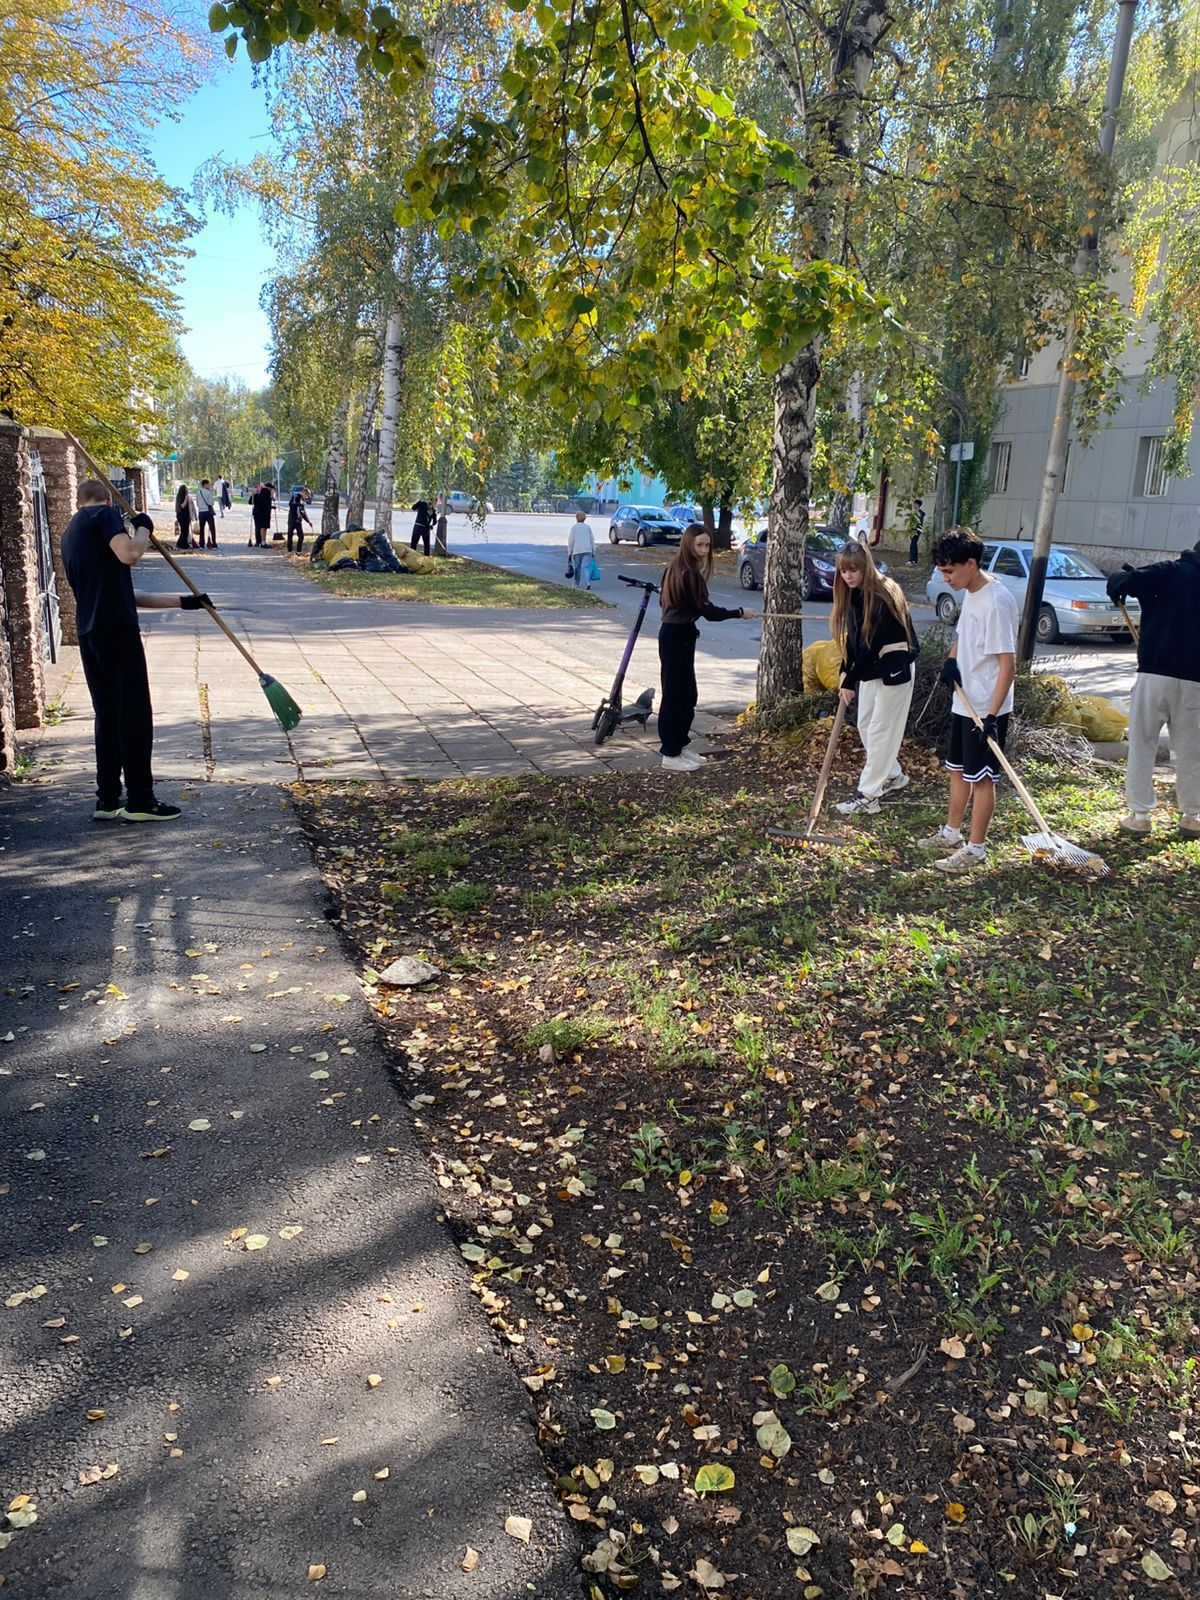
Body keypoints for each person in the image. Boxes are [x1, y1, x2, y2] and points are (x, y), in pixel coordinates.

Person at [60, 479, 211, 822]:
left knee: (109, 716)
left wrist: (185, 602)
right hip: (117, 631)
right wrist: (143, 528)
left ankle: (108, 799)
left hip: (91, 632)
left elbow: (124, 593)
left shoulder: (72, 532)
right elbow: (130, 554)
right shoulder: (103, 516)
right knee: (134, 714)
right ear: (107, 501)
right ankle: (141, 799)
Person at [919, 525, 1019, 872]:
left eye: (949, 571)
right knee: (958, 770)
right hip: (965, 700)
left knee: (983, 778)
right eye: (941, 571)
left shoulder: (997, 602)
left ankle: (976, 849)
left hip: (986, 707)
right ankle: (951, 833)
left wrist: (992, 717)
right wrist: (951, 661)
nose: (945, 578)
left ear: (971, 564)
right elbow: (962, 636)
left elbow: (1008, 665)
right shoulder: (972, 592)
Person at [1106, 541, 1200, 837]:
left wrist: (1116, 586)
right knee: (1192, 751)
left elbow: (1125, 580)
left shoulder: (1169, 570)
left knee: (1142, 745)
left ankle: (1140, 815)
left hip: (1154, 674)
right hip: (1195, 681)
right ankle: (1193, 816)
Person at [657, 522, 756, 771]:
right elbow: (708, 611)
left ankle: (680, 745)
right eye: (699, 545)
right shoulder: (687, 572)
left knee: (687, 694)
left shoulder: (678, 568)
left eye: (707, 545)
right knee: (674, 695)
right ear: (688, 544)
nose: (704, 550)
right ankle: (670, 753)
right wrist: (739, 612)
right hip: (676, 635)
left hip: (679, 634)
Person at [831, 541, 919, 816]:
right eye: (843, 571)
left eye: (853, 570)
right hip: (871, 668)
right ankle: (892, 775)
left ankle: (869, 795)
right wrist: (845, 669)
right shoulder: (853, 594)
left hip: (893, 669)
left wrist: (850, 680)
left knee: (881, 731)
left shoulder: (882, 595)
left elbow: (872, 644)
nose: (848, 576)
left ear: (865, 567)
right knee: (866, 724)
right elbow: (854, 639)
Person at [566, 510, 596, 589]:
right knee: (586, 567)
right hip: (587, 550)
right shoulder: (587, 527)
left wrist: (569, 551)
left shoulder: (574, 528)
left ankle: (576, 583)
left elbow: (571, 541)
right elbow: (592, 540)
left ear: (576, 518)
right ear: (584, 518)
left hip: (577, 550)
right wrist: (593, 551)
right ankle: (588, 583)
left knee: (577, 568)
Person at [286, 487, 312, 554]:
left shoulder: (303, 501)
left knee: (301, 536)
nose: (306, 497)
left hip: (298, 521)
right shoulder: (295, 497)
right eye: (306, 494)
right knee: (290, 534)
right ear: (302, 493)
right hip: (292, 519)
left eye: (307, 495)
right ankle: (289, 549)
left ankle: (298, 551)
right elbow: (291, 505)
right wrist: (298, 504)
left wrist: (308, 521)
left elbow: (304, 513)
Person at [250, 482, 273, 547]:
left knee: (258, 527)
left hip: (257, 512)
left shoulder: (259, 493)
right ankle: (262, 542)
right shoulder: (266, 492)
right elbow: (265, 503)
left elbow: (252, 502)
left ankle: (258, 542)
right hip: (263, 513)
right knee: (263, 527)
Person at [196, 479, 218, 548]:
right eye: (208, 484)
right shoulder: (208, 493)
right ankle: (214, 544)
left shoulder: (198, 492)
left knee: (202, 529)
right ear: (205, 485)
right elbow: (211, 503)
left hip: (201, 512)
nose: (209, 486)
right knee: (212, 528)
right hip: (208, 512)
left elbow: (197, 503)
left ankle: (201, 545)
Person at [174, 482, 196, 550]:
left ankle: (184, 543)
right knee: (184, 531)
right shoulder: (181, 497)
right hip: (182, 516)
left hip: (185, 516)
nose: (187, 491)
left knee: (185, 531)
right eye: (186, 490)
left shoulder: (181, 497)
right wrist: (186, 498)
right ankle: (181, 544)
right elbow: (183, 505)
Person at [906, 498, 926, 565]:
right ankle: (915, 559)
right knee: (914, 544)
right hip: (913, 530)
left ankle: (911, 560)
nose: (913, 505)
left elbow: (918, 523)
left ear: (918, 505)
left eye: (914, 504)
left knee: (913, 544)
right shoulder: (915, 512)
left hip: (916, 530)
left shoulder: (920, 513)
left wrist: (915, 529)